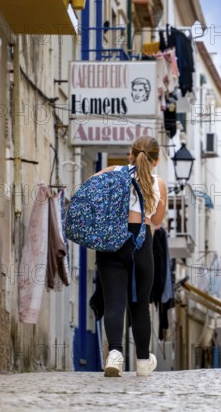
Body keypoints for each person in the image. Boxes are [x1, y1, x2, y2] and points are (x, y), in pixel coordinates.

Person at [94, 136, 167, 377]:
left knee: (114, 301)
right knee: (140, 306)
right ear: (155, 161)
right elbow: (156, 221)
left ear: (130, 155)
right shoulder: (159, 183)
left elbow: (88, 190)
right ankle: (144, 362)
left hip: (113, 240)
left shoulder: (113, 172)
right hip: (141, 243)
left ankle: (115, 356)